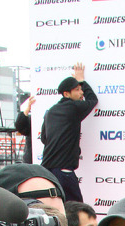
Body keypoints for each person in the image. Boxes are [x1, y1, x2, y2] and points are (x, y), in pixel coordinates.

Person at [40, 62, 97, 203]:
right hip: (63, 172)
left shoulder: (50, 111)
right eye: (77, 89)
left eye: (80, 88)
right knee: (78, 212)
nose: (81, 92)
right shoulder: (73, 107)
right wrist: (82, 80)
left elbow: (44, 138)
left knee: (57, 211)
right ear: (67, 94)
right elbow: (93, 100)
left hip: (47, 172)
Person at [14, 95, 35, 164]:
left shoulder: (53, 116)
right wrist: (27, 109)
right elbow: (20, 127)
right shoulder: (30, 119)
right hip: (32, 158)